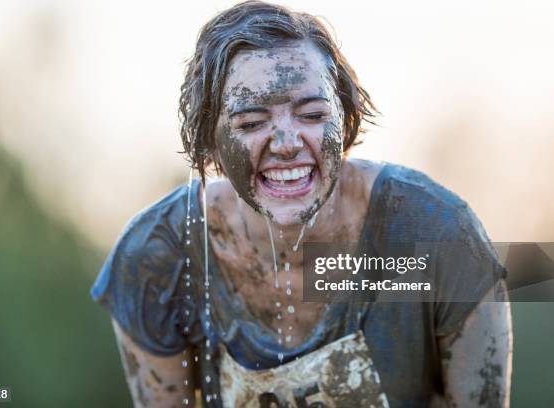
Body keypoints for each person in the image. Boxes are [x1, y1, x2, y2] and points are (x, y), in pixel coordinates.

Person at [90, 1, 512, 406]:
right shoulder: (158, 258)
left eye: (312, 115)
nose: (288, 144)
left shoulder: (435, 237)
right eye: (252, 122)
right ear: (209, 142)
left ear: (345, 119)